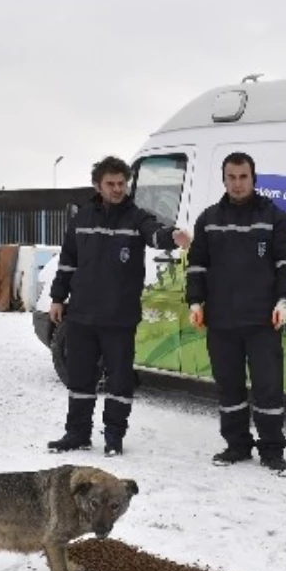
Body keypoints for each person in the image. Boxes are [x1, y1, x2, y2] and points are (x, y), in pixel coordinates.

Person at [47, 156, 191, 456]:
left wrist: (173, 236)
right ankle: (77, 434)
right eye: (110, 184)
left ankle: (114, 437)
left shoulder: (136, 217)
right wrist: (58, 298)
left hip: (119, 317)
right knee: (81, 379)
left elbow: (154, 233)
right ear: (97, 185)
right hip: (82, 315)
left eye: (121, 184)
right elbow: (67, 263)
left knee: (120, 381)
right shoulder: (82, 219)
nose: (117, 189)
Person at [185, 152, 286, 474]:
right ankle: (237, 445)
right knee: (229, 388)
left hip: (263, 321)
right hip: (221, 321)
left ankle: (272, 450)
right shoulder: (209, 219)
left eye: (243, 177)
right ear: (224, 180)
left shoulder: (274, 217)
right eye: (231, 177)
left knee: (267, 388)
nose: (237, 183)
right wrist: (195, 301)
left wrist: (284, 299)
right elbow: (197, 266)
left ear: (253, 178)